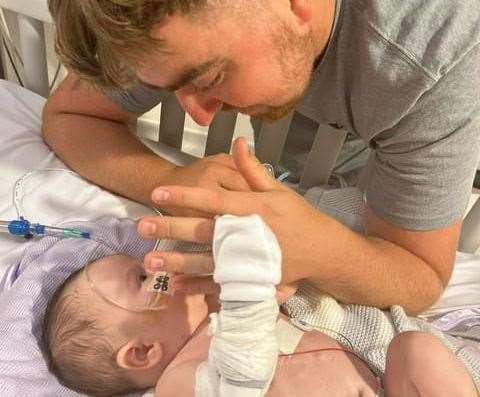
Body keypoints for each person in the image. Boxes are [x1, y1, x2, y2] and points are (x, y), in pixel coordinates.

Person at [43, 0, 480, 314]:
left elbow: (420, 276)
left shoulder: (434, 57)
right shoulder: (172, 26)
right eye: (166, 88)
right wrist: (173, 183)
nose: (195, 115)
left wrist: (322, 250)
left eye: (210, 77)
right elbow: (70, 115)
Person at [43, 215, 478, 397]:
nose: (156, 268)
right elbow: (240, 376)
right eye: (142, 278)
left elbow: (284, 293)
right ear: (141, 352)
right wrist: (245, 293)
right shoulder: (178, 382)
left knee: (416, 348)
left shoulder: (221, 311)